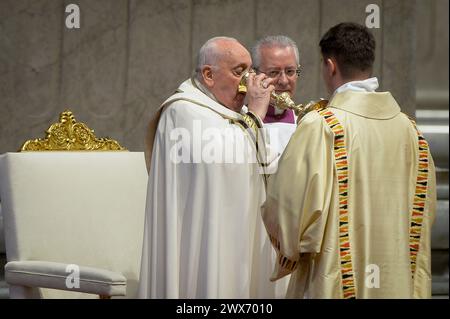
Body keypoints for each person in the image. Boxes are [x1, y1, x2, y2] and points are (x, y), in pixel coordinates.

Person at [262, 23, 436, 298]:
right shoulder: (413, 134)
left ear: (330, 66)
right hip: (397, 284)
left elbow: (287, 210)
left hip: (334, 282)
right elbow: (426, 216)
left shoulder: (322, 127)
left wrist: (287, 251)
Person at [138, 36, 284, 298]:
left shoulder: (225, 112)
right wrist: (256, 115)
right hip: (199, 242)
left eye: (250, 71)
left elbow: (260, 162)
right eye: (239, 72)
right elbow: (223, 162)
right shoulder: (182, 111)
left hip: (232, 236)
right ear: (208, 75)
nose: (248, 82)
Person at [251, 36, 300, 168]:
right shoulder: (240, 124)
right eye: (273, 72)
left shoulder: (304, 124)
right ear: (254, 75)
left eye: (290, 71)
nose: (283, 81)